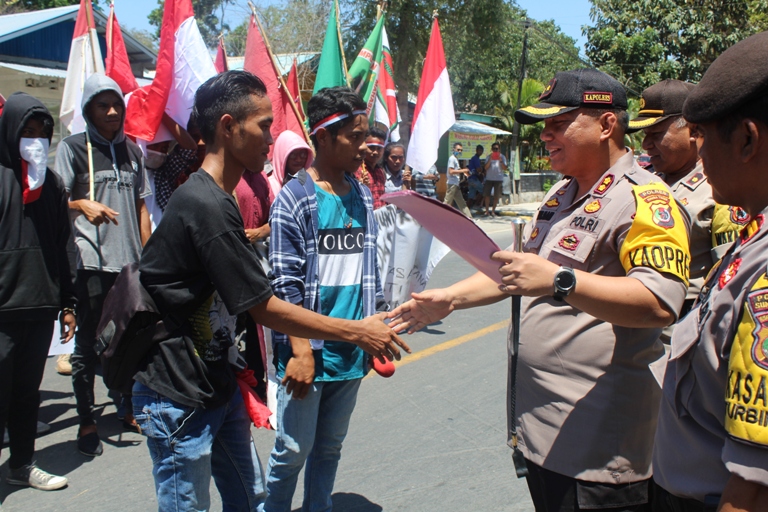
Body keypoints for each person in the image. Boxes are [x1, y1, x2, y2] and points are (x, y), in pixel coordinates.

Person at [390, 68, 691, 512]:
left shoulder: (647, 200)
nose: (545, 135)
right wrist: (451, 298)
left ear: (607, 124)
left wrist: (558, 280)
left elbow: (658, 303)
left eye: (558, 123)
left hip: (598, 447)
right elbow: (517, 271)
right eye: (543, 126)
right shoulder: (561, 194)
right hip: (542, 429)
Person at [132, 71, 408, 512]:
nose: (273, 135)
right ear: (228, 126)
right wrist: (355, 333)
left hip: (215, 382)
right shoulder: (204, 205)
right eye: (263, 125)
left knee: (250, 497)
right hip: (177, 393)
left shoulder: (219, 200)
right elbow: (267, 304)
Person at [651, 31, 768, 512]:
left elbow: (754, 484)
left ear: (745, 140)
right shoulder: (752, 232)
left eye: (704, 140)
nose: (699, 157)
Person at [261, 86, 386, 512]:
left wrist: (378, 324)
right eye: (355, 136)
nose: (365, 146)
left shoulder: (362, 195)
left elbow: (371, 271)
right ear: (324, 138)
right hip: (307, 357)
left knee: (329, 448)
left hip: (351, 351)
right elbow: (284, 284)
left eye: (366, 136)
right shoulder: (295, 198)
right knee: (292, 450)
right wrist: (301, 351)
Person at [54, 73, 151, 456]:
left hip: (129, 264)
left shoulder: (133, 151)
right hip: (91, 263)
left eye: (117, 105)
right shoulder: (72, 149)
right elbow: (53, 201)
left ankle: (127, 407)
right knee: (88, 347)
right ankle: (86, 419)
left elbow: (142, 206)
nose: (112, 112)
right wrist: (81, 205)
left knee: (130, 340)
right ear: (88, 110)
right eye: (102, 105)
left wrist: (149, 258)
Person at [629, 79, 748, 342]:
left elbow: (731, 280)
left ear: (693, 130)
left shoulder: (720, 190)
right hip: (633, 338)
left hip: (681, 336)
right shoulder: (645, 181)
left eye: (656, 134)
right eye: (644, 135)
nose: (646, 144)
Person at [0, 93, 76, 491]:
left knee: (27, 395)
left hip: (39, 305)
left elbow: (62, 245)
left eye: (42, 133)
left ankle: (22, 464)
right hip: (2, 310)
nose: (34, 140)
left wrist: (67, 303)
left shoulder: (52, 184)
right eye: (26, 132)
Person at [268, 130, 314, 199]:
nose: (299, 159)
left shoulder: (310, 183)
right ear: (282, 156)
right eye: (293, 155)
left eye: (302, 154)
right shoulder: (270, 187)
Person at [443, 142, 473, 218]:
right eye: (458, 149)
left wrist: (465, 173)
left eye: (461, 150)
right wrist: (463, 170)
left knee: (461, 203)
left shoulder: (456, 159)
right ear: (454, 149)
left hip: (456, 184)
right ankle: (440, 218)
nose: (459, 151)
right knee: (447, 202)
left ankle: (469, 218)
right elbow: (451, 171)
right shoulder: (452, 159)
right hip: (452, 184)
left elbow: (457, 171)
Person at [482, 142, 508, 216]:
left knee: (496, 196)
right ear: (492, 149)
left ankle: (493, 211)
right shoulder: (488, 157)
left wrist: (501, 161)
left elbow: (505, 168)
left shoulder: (502, 157)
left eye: (497, 149)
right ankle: (487, 211)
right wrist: (490, 159)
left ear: (499, 149)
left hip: (498, 179)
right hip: (489, 178)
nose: (495, 150)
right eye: (494, 149)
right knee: (487, 195)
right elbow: (485, 167)